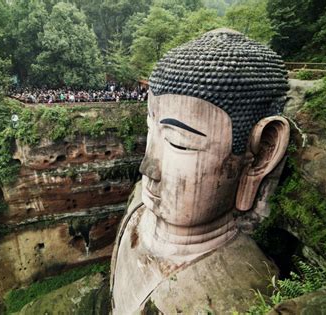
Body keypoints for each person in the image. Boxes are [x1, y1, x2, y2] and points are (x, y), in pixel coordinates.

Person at [110, 28, 290, 314]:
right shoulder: (138, 208)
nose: (147, 168)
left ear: (261, 156)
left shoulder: (242, 292)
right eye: (149, 132)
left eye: (177, 143)